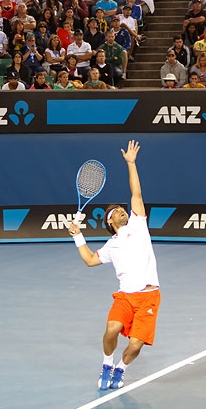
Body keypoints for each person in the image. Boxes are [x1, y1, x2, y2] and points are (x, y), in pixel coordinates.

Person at [68, 140, 160, 391]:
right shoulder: (111, 245)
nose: (122, 210)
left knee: (135, 345)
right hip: (125, 297)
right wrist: (78, 236)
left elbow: (136, 194)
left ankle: (121, 368)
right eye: (117, 211)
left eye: (122, 208)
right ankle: (107, 364)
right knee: (112, 329)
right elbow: (90, 260)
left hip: (149, 296)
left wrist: (131, 164)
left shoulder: (138, 224)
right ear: (110, 222)